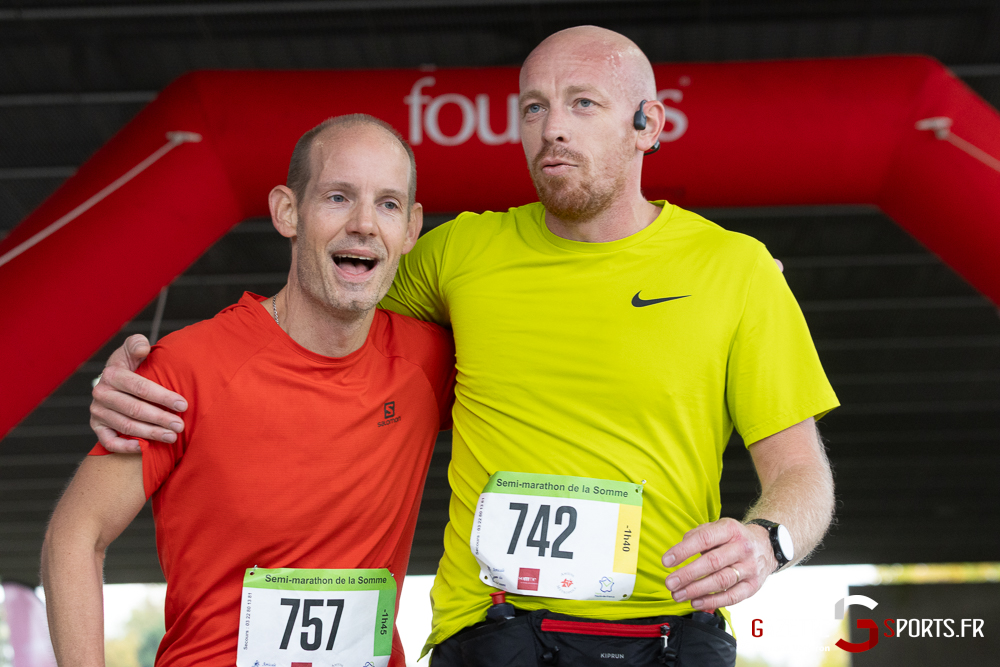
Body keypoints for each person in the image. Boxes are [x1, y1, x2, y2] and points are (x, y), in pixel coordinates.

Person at [90, 27, 838, 666]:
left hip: (666, 632)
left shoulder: (735, 269)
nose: (553, 129)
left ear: (648, 124)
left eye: (583, 103)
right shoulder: (460, 252)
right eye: (534, 108)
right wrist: (157, 370)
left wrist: (767, 540)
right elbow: (321, 302)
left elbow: (802, 474)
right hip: (492, 631)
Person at [42, 115, 455, 667]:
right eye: (337, 197)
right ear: (288, 211)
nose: (364, 224)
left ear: (411, 228)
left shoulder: (432, 362)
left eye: (387, 204)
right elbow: (75, 535)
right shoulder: (188, 366)